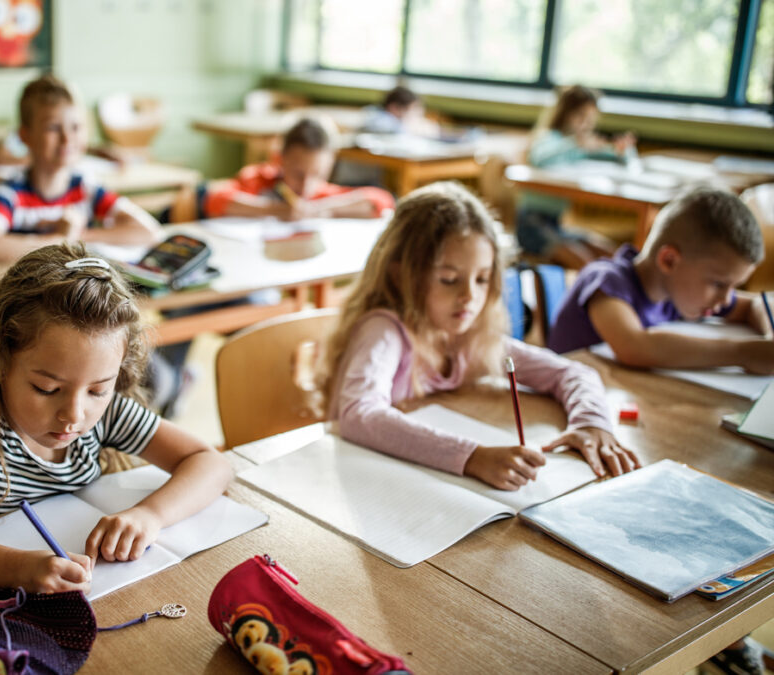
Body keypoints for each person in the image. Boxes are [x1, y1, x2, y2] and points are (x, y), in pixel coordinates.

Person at [0, 243, 232, 594]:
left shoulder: (108, 411)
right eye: (47, 388)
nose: (74, 415)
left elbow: (210, 464)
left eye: (97, 390)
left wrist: (149, 516)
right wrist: (14, 568)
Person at [322, 182, 638, 490]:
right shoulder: (384, 331)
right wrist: (471, 457)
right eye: (449, 279)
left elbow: (572, 372)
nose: (469, 296)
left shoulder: (466, 336)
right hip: (368, 487)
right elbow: (358, 414)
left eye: (482, 279)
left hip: (430, 483)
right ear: (400, 273)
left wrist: (591, 422)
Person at [548, 186, 774, 372]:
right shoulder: (606, 282)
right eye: (719, 284)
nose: (726, 299)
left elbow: (756, 303)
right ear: (669, 261)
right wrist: (744, 354)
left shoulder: (676, 291)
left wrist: (769, 339)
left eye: (734, 286)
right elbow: (635, 347)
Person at [0, 75, 161, 264]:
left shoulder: (85, 189)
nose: (67, 139)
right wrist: (59, 239)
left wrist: (76, 236)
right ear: (25, 136)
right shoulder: (12, 194)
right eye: (52, 128)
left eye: (76, 127)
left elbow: (149, 233)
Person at [516, 85, 636, 268]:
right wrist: (575, 143)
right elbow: (539, 158)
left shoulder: (578, 146)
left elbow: (620, 160)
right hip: (532, 225)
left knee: (611, 253)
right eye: (580, 117)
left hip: (558, 225)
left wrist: (624, 150)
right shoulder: (551, 139)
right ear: (565, 113)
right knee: (585, 262)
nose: (586, 124)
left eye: (590, 119)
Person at [202, 118, 394, 220]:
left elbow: (380, 201)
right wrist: (277, 210)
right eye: (298, 174)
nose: (306, 185)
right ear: (279, 158)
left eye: (317, 174)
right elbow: (215, 200)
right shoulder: (259, 179)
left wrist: (318, 210)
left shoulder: (320, 193)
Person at [361, 85, 439, 137]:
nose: (417, 114)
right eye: (413, 110)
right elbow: (398, 134)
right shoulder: (380, 119)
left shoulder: (398, 121)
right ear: (394, 108)